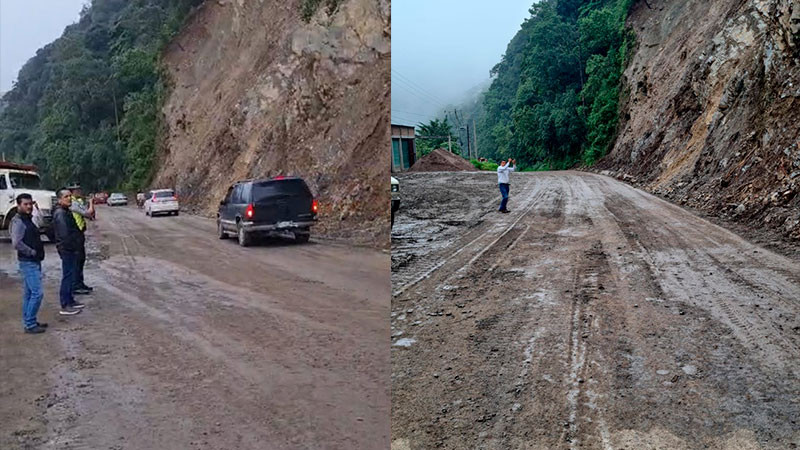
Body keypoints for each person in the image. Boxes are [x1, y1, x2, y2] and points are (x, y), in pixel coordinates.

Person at [10, 194, 48, 333]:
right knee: (37, 293)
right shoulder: (18, 221)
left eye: (30, 204)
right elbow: (16, 243)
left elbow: (41, 224)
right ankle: (30, 324)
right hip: (28, 262)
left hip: (33, 261)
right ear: (18, 205)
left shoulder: (28, 219)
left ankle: (29, 321)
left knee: (29, 293)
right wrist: (31, 252)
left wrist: (37, 210)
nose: (29, 206)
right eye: (25, 204)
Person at [53, 188, 85, 316]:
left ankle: (70, 300)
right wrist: (73, 247)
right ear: (60, 199)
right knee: (67, 276)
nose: (69, 198)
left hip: (71, 249)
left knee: (71, 275)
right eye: (66, 196)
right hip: (68, 250)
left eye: (70, 196)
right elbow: (65, 235)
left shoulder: (66, 211)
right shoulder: (60, 213)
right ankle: (65, 305)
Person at [68, 184, 95, 295]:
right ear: (73, 191)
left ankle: (80, 283)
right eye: (78, 190)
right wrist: (91, 202)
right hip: (75, 234)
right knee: (77, 260)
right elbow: (89, 214)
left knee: (81, 259)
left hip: (79, 233)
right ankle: (76, 285)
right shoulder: (73, 203)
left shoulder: (77, 201)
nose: (80, 191)